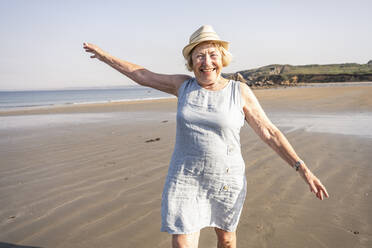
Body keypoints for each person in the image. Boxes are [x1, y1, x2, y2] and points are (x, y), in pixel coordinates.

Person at [83, 25, 329, 248]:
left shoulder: (238, 91)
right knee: (181, 241)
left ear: (222, 59)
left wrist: (302, 169)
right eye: (199, 55)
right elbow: (143, 75)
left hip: (225, 178)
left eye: (213, 55)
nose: (207, 62)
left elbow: (269, 132)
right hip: (185, 178)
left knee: (227, 240)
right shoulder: (183, 86)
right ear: (191, 61)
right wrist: (105, 56)